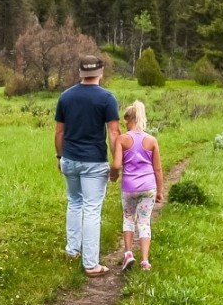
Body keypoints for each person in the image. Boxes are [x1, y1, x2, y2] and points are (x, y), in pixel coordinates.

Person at [54, 55, 121, 275]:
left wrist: (59, 157)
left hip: (70, 159)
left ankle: (73, 250)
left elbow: (59, 132)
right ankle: (91, 264)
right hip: (93, 161)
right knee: (92, 209)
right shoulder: (106, 98)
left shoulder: (66, 97)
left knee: (74, 202)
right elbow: (113, 133)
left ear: (80, 72)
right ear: (100, 72)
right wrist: (116, 163)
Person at [116, 100, 165, 272]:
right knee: (144, 222)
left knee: (128, 219)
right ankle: (145, 261)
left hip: (129, 187)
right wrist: (160, 191)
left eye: (125, 121)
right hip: (148, 187)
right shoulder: (151, 140)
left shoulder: (122, 139)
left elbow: (118, 163)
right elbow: (157, 169)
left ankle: (128, 253)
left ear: (129, 120)